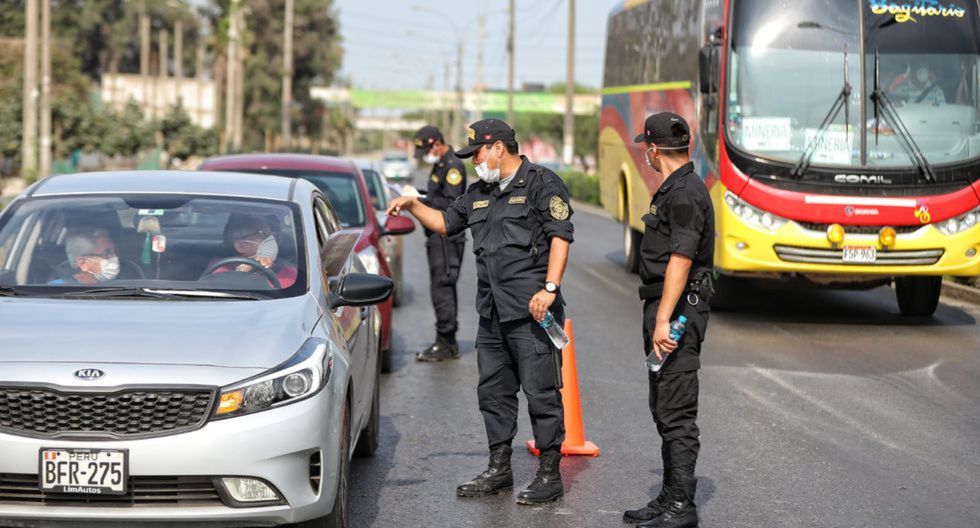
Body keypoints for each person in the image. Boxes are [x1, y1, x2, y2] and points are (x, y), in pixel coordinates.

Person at [387, 119, 574, 505]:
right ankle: (499, 468)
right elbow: (444, 224)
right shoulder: (478, 193)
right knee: (494, 393)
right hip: (491, 313)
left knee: (541, 394)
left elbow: (560, 235)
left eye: (476, 153)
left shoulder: (542, 183)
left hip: (532, 311)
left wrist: (550, 288)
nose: (473, 161)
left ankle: (548, 474)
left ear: (497, 148)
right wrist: (413, 205)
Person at [623, 113, 714, 528]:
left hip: (676, 311)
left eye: (647, 147)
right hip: (666, 305)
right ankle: (669, 497)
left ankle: (682, 506)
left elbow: (681, 259)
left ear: (654, 150)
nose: (646, 154)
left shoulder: (684, 194)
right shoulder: (676, 189)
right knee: (663, 403)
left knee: (675, 407)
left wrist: (662, 320)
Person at [412, 125, 468, 362]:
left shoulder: (453, 165)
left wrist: (420, 200)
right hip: (437, 237)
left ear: (436, 144)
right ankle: (448, 341)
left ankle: (445, 342)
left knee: (443, 289)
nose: (425, 155)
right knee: (440, 288)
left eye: (426, 149)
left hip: (447, 239)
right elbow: (438, 194)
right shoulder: (440, 164)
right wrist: (420, 194)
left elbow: (450, 203)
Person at [211, 214, 298, 288]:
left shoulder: (288, 274)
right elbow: (220, 292)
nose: (271, 240)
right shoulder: (220, 266)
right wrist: (244, 271)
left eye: (271, 234)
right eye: (262, 234)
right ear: (240, 245)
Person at [50, 228, 121, 284]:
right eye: (106, 253)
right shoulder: (57, 291)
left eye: (114, 251)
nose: (115, 257)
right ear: (83, 263)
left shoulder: (118, 285)